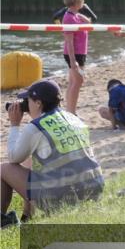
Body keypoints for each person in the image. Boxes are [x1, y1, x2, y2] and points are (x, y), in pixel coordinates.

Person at [2, 80, 103, 228]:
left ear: (38, 103)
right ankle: (27, 217)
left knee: (4, 169)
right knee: (31, 162)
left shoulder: (36, 127)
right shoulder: (74, 119)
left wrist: (14, 125)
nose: (25, 105)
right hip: (93, 192)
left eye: (27, 101)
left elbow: (13, 157)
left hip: (62, 200)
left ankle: (2, 220)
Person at [61, 0, 89, 114]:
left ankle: (70, 110)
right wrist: (73, 61)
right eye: (81, 1)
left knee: (74, 81)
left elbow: (89, 23)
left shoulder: (75, 16)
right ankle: (71, 112)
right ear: (77, 2)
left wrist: (80, 13)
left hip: (80, 53)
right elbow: (69, 41)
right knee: (78, 81)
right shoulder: (69, 18)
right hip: (74, 54)